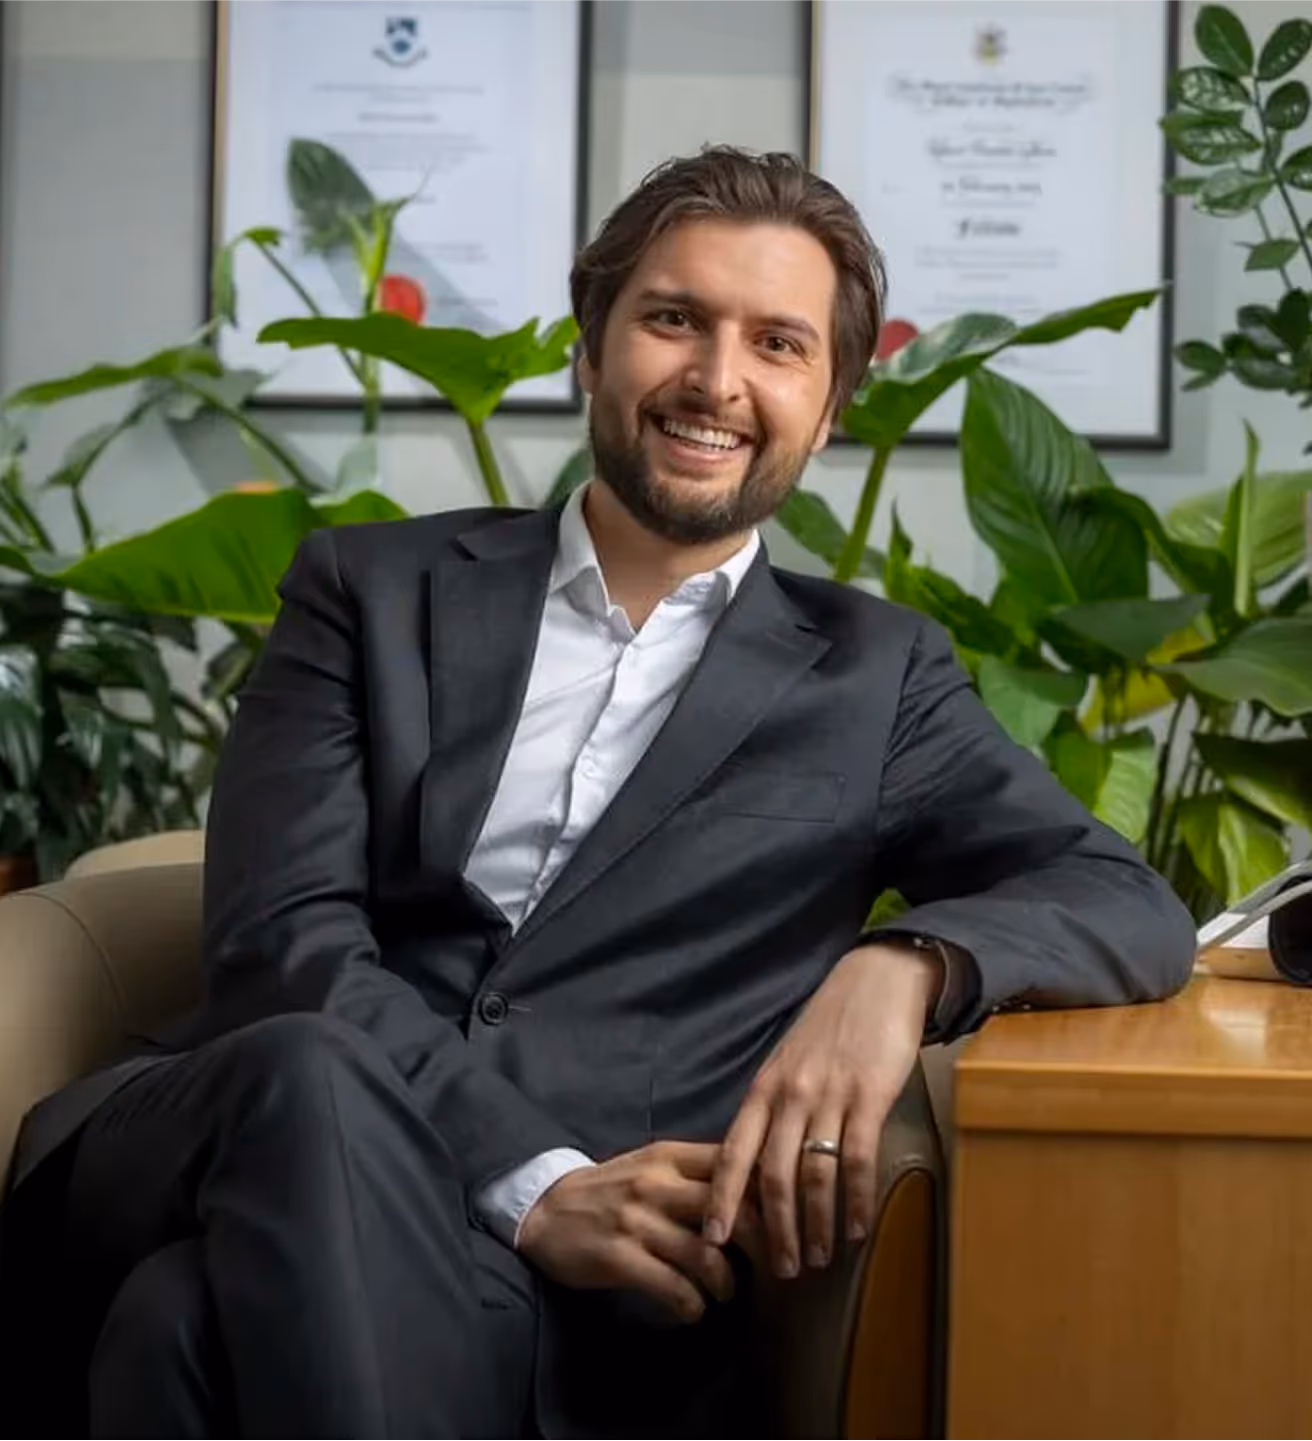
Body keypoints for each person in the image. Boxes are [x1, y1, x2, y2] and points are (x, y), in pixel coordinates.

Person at [0, 145, 1196, 1439]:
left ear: (833, 398)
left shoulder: (875, 679)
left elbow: (1125, 897)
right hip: (224, 1137)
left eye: (778, 344)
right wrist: (536, 1179)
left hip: (562, 1298)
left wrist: (901, 965)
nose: (715, 380)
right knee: (311, 1064)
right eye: (674, 319)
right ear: (593, 344)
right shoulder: (367, 591)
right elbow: (283, 941)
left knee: (179, 1329)